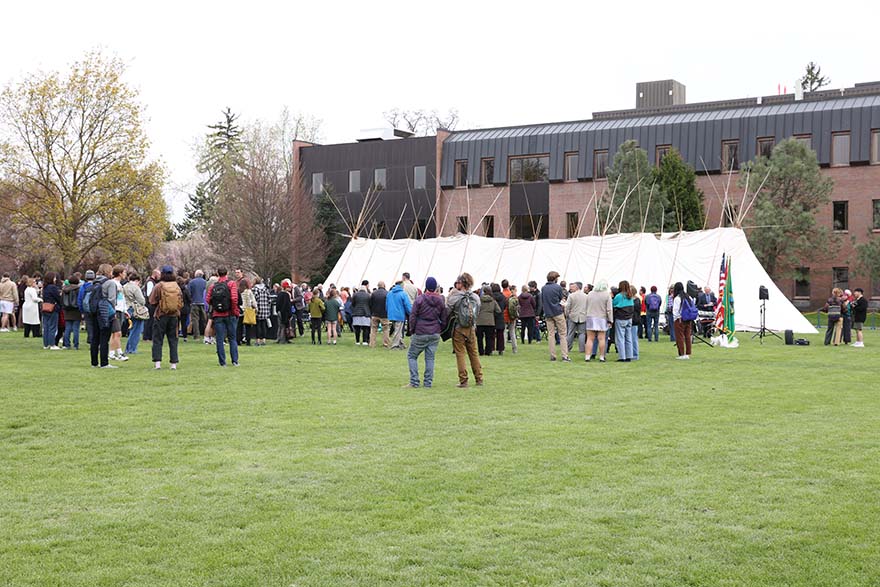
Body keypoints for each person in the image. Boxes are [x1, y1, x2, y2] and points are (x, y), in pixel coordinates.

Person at [406, 277, 447, 388]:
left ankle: (414, 381)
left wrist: (412, 330)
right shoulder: (440, 301)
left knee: (412, 356)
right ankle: (427, 383)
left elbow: (413, 316)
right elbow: (444, 318)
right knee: (430, 358)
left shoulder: (419, 300)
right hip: (434, 332)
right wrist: (440, 329)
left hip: (420, 331)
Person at [446, 273, 482, 388]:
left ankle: (463, 380)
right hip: (471, 328)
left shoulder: (456, 296)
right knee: (474, 354)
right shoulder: (475, 297)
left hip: (459, 328)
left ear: (461, 283)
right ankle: (479, 378)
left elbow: (447, 309)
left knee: (460, 354)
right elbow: (478, 309)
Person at [148, 265, 183, 369]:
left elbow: (151, 301)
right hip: (174, 316)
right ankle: (173, 364)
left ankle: (157, 363)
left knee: (158, 339)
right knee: (173, 339)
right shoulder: (176, 286)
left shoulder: (159, 286)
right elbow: (181, 302)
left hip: (161, 315)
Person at [206, 267, 240, 366]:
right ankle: (234, 361)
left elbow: (207, 299)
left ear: (217, 274)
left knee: (219, 339)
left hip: (218, 315)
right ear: (227, 273)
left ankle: (222, 362)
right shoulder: (231, 284)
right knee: (232, 338)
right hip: (230, 314)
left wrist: (215, 305)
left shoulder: (213, 286)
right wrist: (234, 311)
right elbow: (234, 299)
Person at [89, 264, 115, 368]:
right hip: (104, 312)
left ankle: (94, 362)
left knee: (95, 337)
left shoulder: (94, 282)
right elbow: (112, 299)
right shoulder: (109, 283)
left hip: (94, 311)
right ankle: (104, 362)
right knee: (104, 338)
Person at [541, 271, 570, 362]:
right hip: (558, 312)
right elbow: (562, 299)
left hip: (548, 313)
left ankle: (553, 355)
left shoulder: (543, 288)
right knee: (562, 334)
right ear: (555, 278)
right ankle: (564, 356)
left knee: (551, 334)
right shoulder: (558, 287)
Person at [584, 279, 613, 362]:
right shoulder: (607, 295)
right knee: (601, 338)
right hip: (602, 318)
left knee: (590, 338)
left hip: (590, 317)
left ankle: (587, 356)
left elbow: (586, 306)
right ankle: (601, 356)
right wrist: (610, 320)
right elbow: (609, 309)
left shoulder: (590, 294)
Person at [106, 265, 128, 361]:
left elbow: (121, 299)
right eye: (124, 272)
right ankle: (119, 353)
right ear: (120, 273)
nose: (125, 274)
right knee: (118, 332)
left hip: (121, 309)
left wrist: (125, 310)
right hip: (115, 310)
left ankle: (111, 353)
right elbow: (112, 298)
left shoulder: (119, 284)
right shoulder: (113, 284)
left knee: (114, 333)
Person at [123, 272, 148, 355]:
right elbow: (142, 300)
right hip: (136, 310)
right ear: (137, 280)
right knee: (137, 330)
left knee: (132, 329)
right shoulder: (135, 288)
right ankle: (132, 349)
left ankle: (128, 348)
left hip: (127, 308)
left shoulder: (124, 286)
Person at [386, 280, 412, 350]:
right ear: (401, 285)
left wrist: (388, 312)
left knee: (398, 330)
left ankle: (401, 344)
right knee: (398, 331)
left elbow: (387, 304)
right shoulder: (403, 294)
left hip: (391, 314)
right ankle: (395, 345)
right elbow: (407, 305)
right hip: (400, 314)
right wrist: (411, 313)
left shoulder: (389, 293)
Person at [612, 280, 634, 362]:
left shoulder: (618, 296)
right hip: (629, 319)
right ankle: (629, 355)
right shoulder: (630, 296)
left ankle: (622, 357)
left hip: (621, 319)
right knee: (628, 338)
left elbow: (613, 305)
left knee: (620, 338)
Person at [672, 281, 694, 360]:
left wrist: (676, 318)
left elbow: (675, 311)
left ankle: (681, 354)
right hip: (688, 319)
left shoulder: (677, 298)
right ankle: (688, 353)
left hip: (680, 320)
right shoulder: (689, 297)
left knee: (680, 337)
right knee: (687, 336)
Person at [475, 284, 500, 356]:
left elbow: (476, 309)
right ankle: (488, 351)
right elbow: (498, 310)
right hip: (490, 321)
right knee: (489, 337)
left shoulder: (479, 300)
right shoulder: (493, 301)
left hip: (480, 321)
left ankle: (481, 351)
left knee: (479, 338)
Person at [40, 271, 62, 350]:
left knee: (46, 327)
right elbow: (58, 298)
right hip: (53, 308)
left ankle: (46, 344)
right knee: (52, 327)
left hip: (45, 307)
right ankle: (52, 344)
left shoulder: (44, 287)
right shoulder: (53, 287)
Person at [565, 282, 588, 354]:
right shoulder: (586, 296)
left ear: (577, 287)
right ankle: (582, 349)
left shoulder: (571, 296)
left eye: (573, 287)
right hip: (583, 316)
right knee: (582, 334)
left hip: (572, 316)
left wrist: (567, 314)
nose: (572, 288)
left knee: (570, 333)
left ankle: (567, 348)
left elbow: (567, 306)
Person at [61, 274, 83, 350]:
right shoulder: (78, 289)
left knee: (67, 328)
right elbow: (80, 300)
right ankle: (75, 345)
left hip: (67, 310)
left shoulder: (64, 289)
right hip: (76, 310)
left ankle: (66, 344)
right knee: (76, 328)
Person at [368, 281, 390, 348]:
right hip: (384, 314)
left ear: (378, 286)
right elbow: (388, 304)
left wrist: (371, 312)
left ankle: (372, 344)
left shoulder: (373, 293)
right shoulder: (387, 293)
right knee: (385, 329)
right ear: (384, 285)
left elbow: (370, 304)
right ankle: (385, 344)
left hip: (375, 314)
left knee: (373, 329)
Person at [187, 270, 207, 341]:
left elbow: (188, 292)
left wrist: (191, 300)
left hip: (194, 302)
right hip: (203, 303)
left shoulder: (191, 282)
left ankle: (196, 336)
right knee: (204, 319)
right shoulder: (205, 282)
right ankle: (206, 335)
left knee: (195, 320)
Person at [351, 281, 372, 345]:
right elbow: (370, 304)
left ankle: (357, 341)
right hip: (366, 313)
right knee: (365, 328)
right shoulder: (368, 295)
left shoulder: (355, 295)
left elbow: (353, 304)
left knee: (357, 328)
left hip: (356, 313)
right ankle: (364, 341)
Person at [252, 277, 270, 346]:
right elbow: (269, 299)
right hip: (265, 309)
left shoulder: (255, 289)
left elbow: (254, 299)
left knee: (257, 325)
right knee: (263, 325)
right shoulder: (266, 289)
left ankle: (258, 340)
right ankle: (264, 340)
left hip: (258, 309)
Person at [491, 283, 507, 355]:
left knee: (491, 334)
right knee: (500, 334)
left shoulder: (491, 297)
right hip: (500, 316)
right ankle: (500, 349)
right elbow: (505, 306)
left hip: (492, 316)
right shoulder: (503, 297)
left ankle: (491, 348)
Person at [240, 278, 257, 346]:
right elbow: (253, 301)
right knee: (248, 327)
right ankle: (248, 341)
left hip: (241, 310)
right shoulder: (249, 291)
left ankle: (238, 340)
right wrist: (256, 308)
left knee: (239, 327)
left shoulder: (239, 291)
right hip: (248, 310)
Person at [505, 285, 519, 354]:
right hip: (512, 317)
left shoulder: (506, 297)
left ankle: (503, 348)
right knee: (512, 332)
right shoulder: (514, 298)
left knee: (504, 332)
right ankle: (514, 348)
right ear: (512, 290)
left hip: (506, 316)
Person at [628, 285, 641, 360]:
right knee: (630, 338)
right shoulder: (635, 300)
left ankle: (635, 354)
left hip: (634, 321)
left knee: (633, 338)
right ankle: (630, 353)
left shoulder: (636, 300)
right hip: (632, 320)